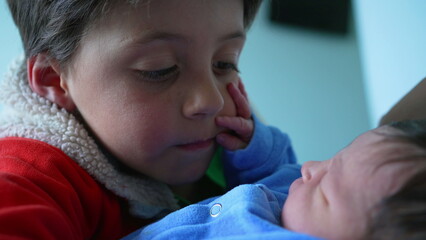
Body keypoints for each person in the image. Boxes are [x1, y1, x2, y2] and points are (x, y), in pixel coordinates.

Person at [0, 1, 274, 239]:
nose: (212, 100)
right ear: (55, 81)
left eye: (225, 63)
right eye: (160, 69)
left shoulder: (245, 136)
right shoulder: (29, 179)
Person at [121, 119, 426, 240]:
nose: (311, 167)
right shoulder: (292, 194)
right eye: (333, 158)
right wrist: (252, 144)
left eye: (324, 190)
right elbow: (274, 171)